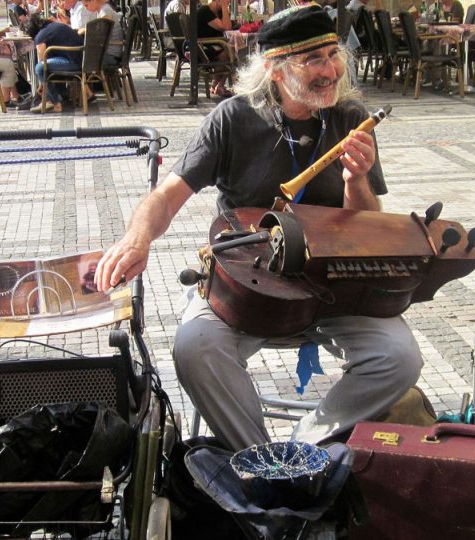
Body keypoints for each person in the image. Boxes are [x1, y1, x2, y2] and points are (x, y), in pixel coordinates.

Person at [94, 4, 422, 452]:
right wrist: (137, 238)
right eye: (314, 60)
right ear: (275, 68)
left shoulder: (350, 116)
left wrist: (356, 180)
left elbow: (367, 222)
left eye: (334, 54)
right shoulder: (232, 119)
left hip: (331, 286)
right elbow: (167, 196)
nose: (331, 70)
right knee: (195, 348)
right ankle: (258, 457)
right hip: (248, 286)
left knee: (399, 358)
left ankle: (304, 449)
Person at [25, 12, 83, 113]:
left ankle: (54, 102)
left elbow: (43, 60)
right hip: (82, 59)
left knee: (39, 68)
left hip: (73, 62)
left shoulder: (40, 36)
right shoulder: (55, 26)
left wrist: (42, 83)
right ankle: (61, 95)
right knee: (50, 62)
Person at [197, 0, 233, 97]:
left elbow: (228, 26)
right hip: (201, 47)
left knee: (231, 52)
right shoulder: (205, 11)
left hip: (213, 44)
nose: (229, 2)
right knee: (230, 54)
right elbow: (225, 27)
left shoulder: (219, 12)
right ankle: (219, 86)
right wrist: (225, 8)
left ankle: (215, 85)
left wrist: (224, 9)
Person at [80, 0, 122, 68]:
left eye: (86, 5)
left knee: (80, 61)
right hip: (108, 53)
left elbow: (100, 33)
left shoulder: (105, 11)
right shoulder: (101, 10)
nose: (86, 8)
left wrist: (83, 30)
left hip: (110, 55)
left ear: (93, 1)